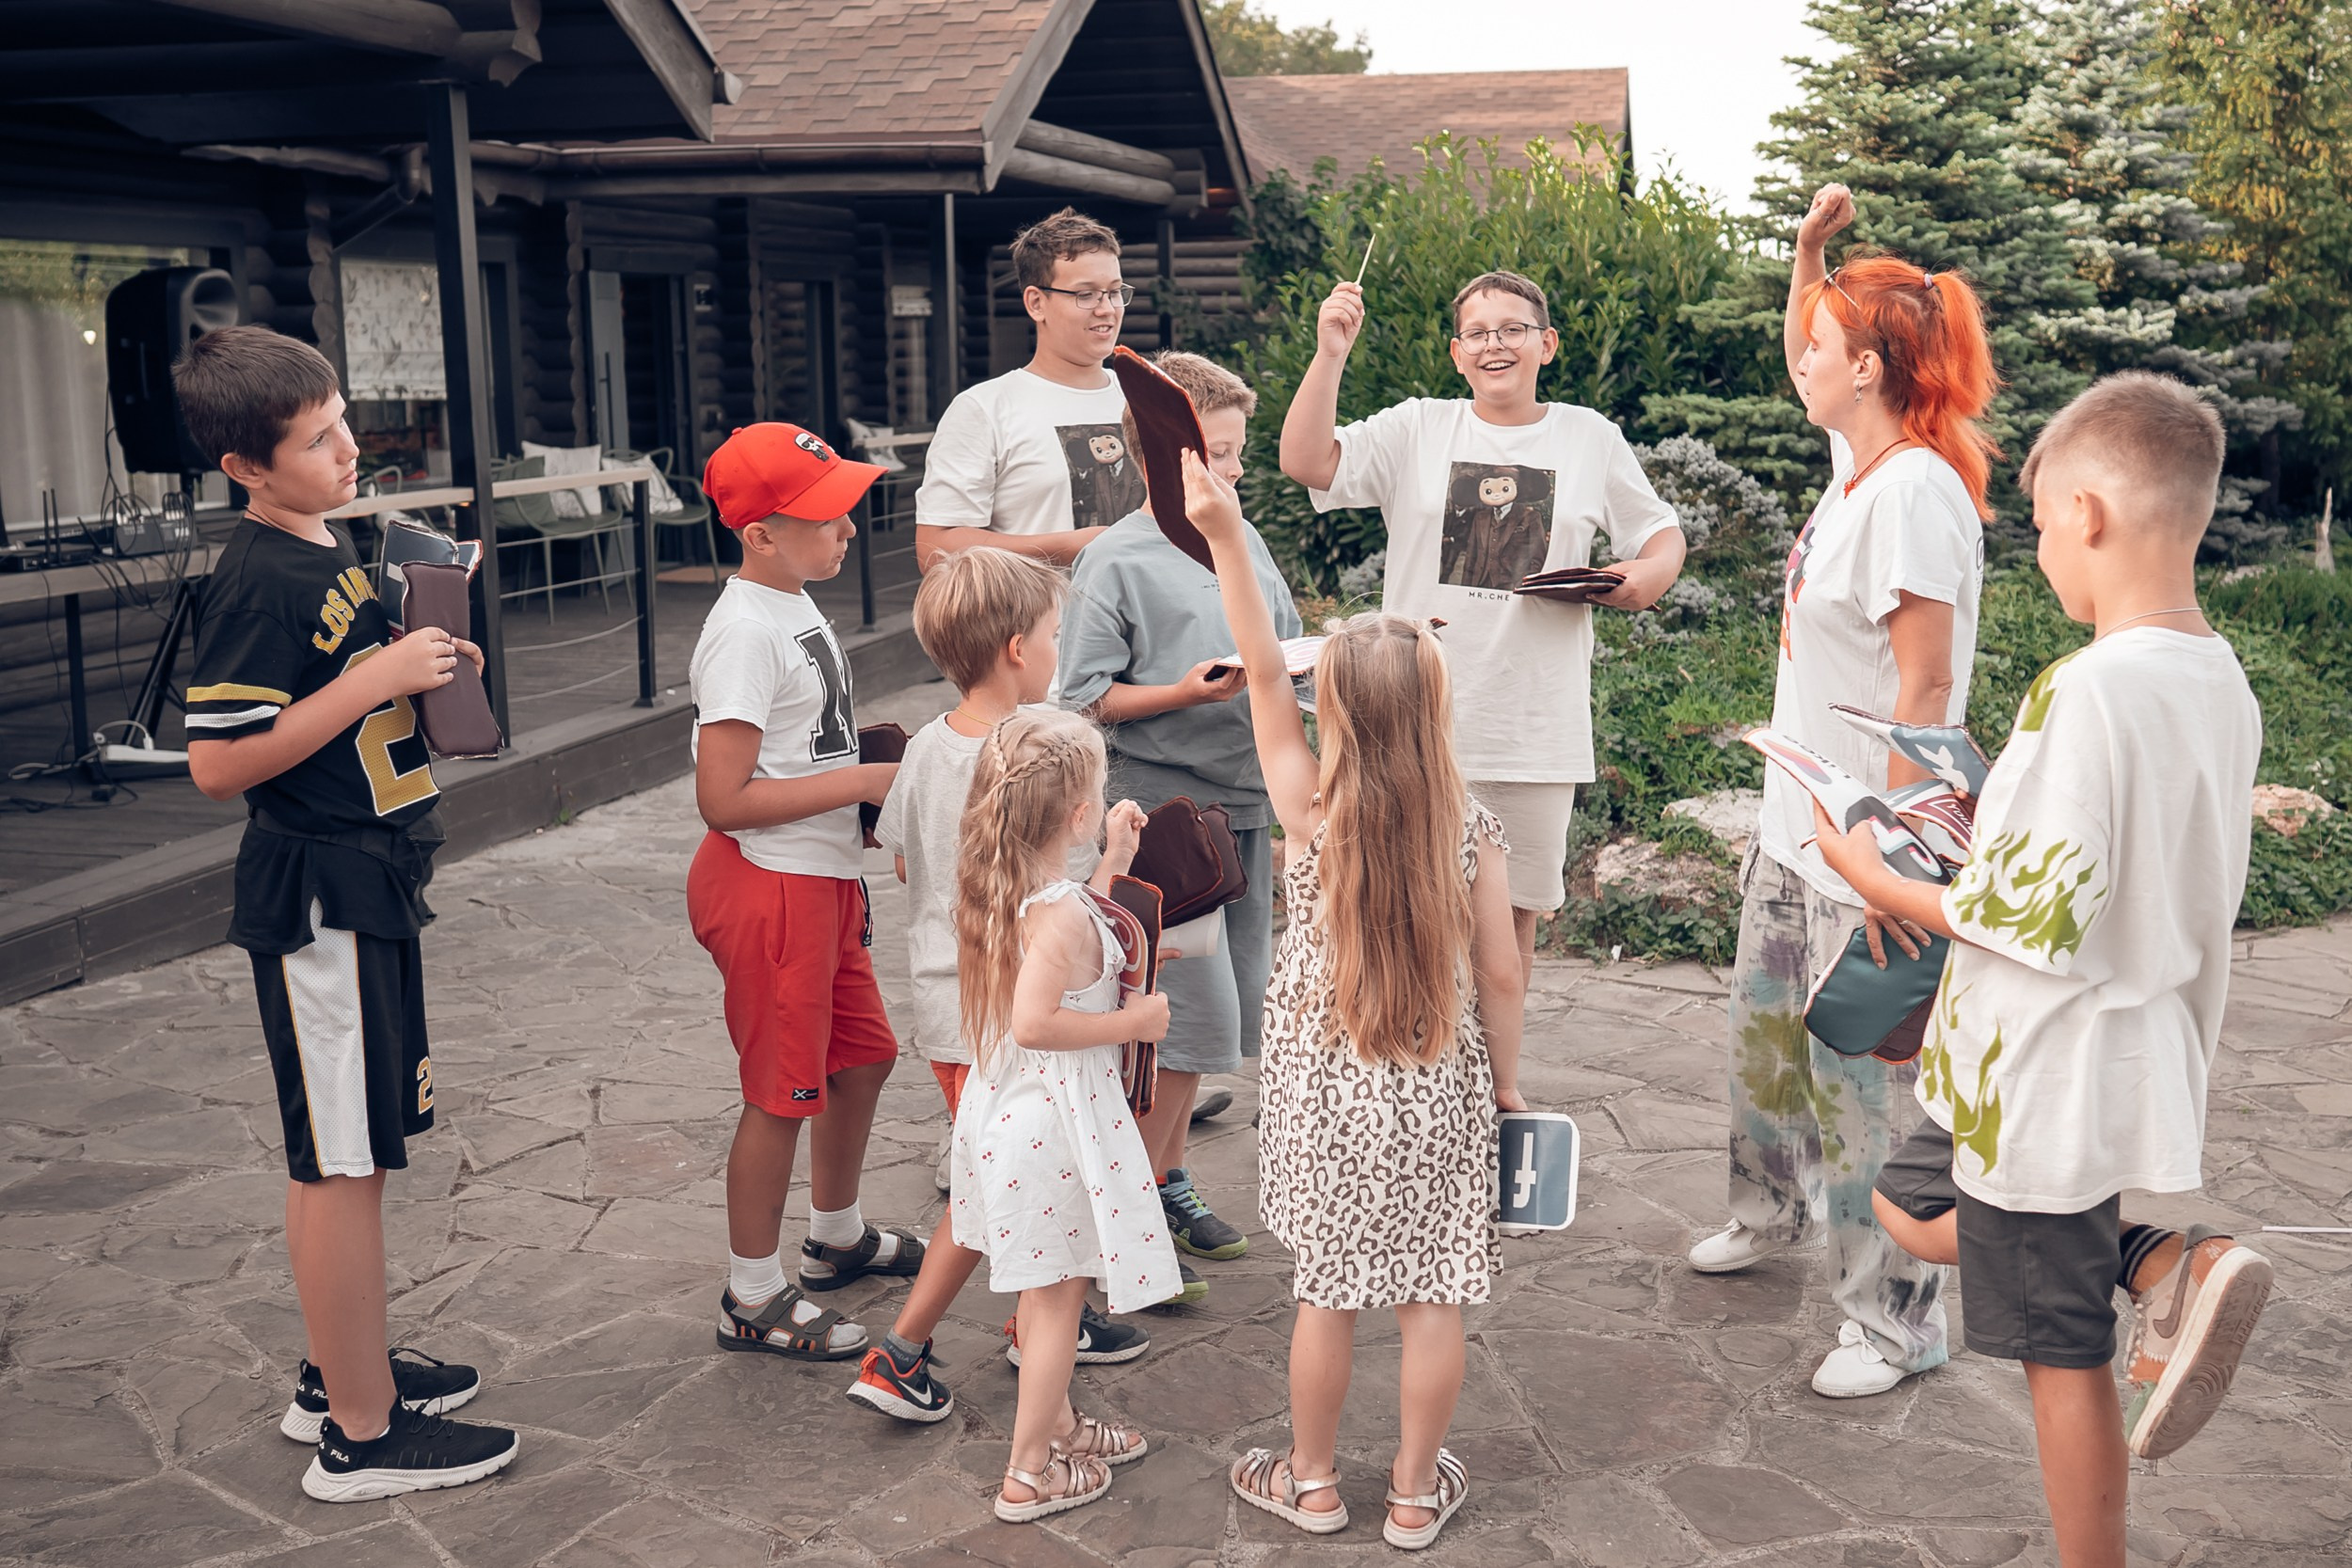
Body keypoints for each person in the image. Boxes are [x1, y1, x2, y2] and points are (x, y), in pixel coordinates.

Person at [1816, 372, 2271, 1568]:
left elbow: (2019, 917)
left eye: (2035, 526)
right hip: (2105, 1044)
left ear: (2086, 513)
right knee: (1909, 1207)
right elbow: (2098, 859)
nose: (2039, 554)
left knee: (2057, 1353)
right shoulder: (2214, 676)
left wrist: (1867, 870)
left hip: (2045, 1069)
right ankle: (2159, 1257)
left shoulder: (2089, 686)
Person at [175, 325, 516, 1501]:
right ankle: (361, 1436)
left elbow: (345, 699)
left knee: (354, 1151)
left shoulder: (329, 548)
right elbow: (218, 764)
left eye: (341, 423)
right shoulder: (257, 577)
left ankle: (341, 1369)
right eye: (315, 441)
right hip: (318, 890)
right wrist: (371, 679)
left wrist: (419, 660)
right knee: (342, 1160)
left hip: (367, 878)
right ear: (246, 469)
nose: (347, 450)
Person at [1685, 184, 1998, 1401]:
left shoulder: (1916, 493)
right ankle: (1770, 1210)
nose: (1800, 363)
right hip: (1794, 825)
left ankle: (1895, 1316)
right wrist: (1812, 255)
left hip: (1868, 850)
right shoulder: (1858, 463)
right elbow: (1807, 342)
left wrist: (1906, 867)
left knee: (1860, 1083)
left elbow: (1927, 691)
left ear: (1866, 368)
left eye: (1820, 348)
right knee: (1765, 1045)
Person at [1187, 449, 1524, 1551]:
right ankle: (1416, 1496)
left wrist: (1228, 534)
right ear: (1435, 711)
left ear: (1328, 707)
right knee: (1435, 1294)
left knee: (1324, 1292)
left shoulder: (1305, 813)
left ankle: (1316, 1480)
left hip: (1325, 1102)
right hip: (1437, 1092)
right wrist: (1508, 1085)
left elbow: (1253, 658)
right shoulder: (1469, 831)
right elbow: (1504, 973)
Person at [1280, 267, 1687, 985]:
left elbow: (1660, 532)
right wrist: (1330, 353)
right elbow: (1306, 461)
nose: (1494, 344)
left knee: (1512, 918)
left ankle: (1496, 1084)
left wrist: (1645, 579)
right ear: (1456, 352)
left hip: (1533, 723)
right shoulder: (1418, 426)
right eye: (1477, 332)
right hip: (1412, 714)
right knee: (1398, 905)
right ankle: (1417, 1069)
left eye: (1513, 330)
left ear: (1547, 344)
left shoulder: (1589, 437)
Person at [847, 546, 1150, 1424]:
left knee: (990, 1181)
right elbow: (1070, 898)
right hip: (1026, 1020)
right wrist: (1120, 856)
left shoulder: (926, 750)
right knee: (993, 1190)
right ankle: (920, 1347)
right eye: (1056, 633)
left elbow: (903, 859)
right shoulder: (1044, 753)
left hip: (953, 1006)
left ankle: (1031, 1319)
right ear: (1019, 647)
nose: (1061, 647)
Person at [1057, 350, 1303, 1284]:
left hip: (1241, 807)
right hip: (1162, 824)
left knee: (1212, 1021)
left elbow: (1279, 642)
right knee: (1168, 1022)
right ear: (1167, 458)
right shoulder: (1114, 559)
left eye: (1239, 454)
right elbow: (1075, 698)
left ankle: (1165, 1179)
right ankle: (1125, 1220)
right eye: (1224, 455)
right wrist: (1176, 690)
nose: (1237, 474)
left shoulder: (1242, 537)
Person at [686, 421, 926, 1367]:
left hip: (819, 876)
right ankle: (751, 1290)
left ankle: (835, 1230)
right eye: (825, 516)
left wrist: (856, 784)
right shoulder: (744, 629)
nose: (848, 530)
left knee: (861, 1055)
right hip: (770, 884)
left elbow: (797, 745)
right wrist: (863, 786)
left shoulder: (791, 601)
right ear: (760, 533)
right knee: (780, 1092)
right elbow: (723, 797)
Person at [946, 708, 1177, 1522]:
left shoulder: (1008, 889)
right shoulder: (1061, 915)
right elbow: (1038, 1022)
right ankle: (1028, 1471)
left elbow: (1070, 941)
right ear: (1075, 814)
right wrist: (1134, 1022)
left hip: (1012, 1112)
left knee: (1053, 1296)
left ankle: (1064, 1423)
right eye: (1098, 794)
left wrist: (1113, 860)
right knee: (1054, 1309)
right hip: (1050, 1128)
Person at [914, 207, 1146, 568]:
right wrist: (1068, 546)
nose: (1107, 309)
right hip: (1039, 624)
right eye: (1086, 295)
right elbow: (935, 549)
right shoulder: (985, 409)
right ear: (1036, 303)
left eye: (1115, 292)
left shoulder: (1150, 398)